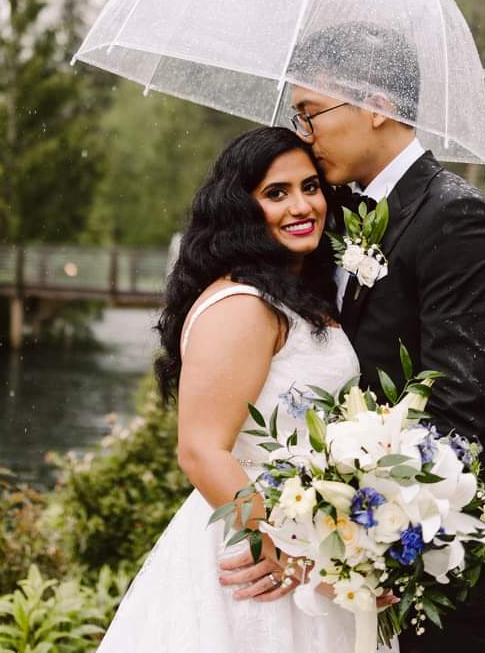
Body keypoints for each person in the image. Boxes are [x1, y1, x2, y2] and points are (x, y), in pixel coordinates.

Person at [219, 23, 485, 653]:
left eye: (310, 112)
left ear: (376, 105)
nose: (303, 133)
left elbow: (456, 408)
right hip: (353, 550)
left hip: (446, 551)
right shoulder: (333, 212)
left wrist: (368, 539)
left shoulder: (457, 219)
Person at [96, 126, 396, 653]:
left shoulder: (293, 295)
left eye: (310, 187)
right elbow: (200, 450)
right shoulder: (242, 305)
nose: (302, 206)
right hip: (260, 557)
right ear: (241, 209)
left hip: (309, 534)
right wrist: (290, 554)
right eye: (276, 193)